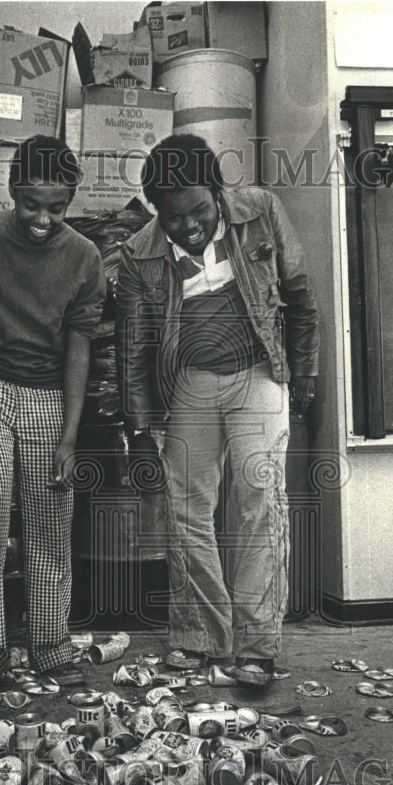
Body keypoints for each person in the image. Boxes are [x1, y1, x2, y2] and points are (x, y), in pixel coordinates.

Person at [115, 134, 319, 688]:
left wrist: (306, 371)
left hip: (259, 371)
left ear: (219, 191)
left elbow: (299, 296)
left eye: (199, 210)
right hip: (189, 384)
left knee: (258, 498)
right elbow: (132, 349)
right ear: (156, 210)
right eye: (173, 217)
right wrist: (138, 432)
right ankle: (201, 637)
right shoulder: (139, 253)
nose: (188, 226)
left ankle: (257, 647)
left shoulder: (261, 212)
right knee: (185, 509)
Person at [0, 135, 106, 701]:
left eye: (56, 207)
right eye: (32, 203)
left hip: (46, 392)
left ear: (71, 200)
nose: (42, 218)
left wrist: (70, 435)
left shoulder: (83, 256)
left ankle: (51, 648)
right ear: (11, 190)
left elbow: (80, 344)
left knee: (50, 518)